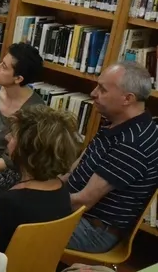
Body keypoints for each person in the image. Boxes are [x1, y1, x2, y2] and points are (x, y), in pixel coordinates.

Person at [62, 61, 158, 253]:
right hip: (78, 214)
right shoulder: (116, 121)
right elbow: (76, 168)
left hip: (93, 229)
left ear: (127, 98)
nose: (93, 93)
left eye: (102, 89)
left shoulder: (133, 143)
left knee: (11, 221)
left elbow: (84, 200)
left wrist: (40, 201)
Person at [0, 105, 80, 253]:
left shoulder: (8, 203)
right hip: (35, 271)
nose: (7, 137)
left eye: (13, 135)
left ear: (27, 148)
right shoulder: (60, 189)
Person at [0, 43, 46, 192]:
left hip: (10, 169)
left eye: (4, 67)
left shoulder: (35, 109)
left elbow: (16, 158)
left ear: (18, 78)